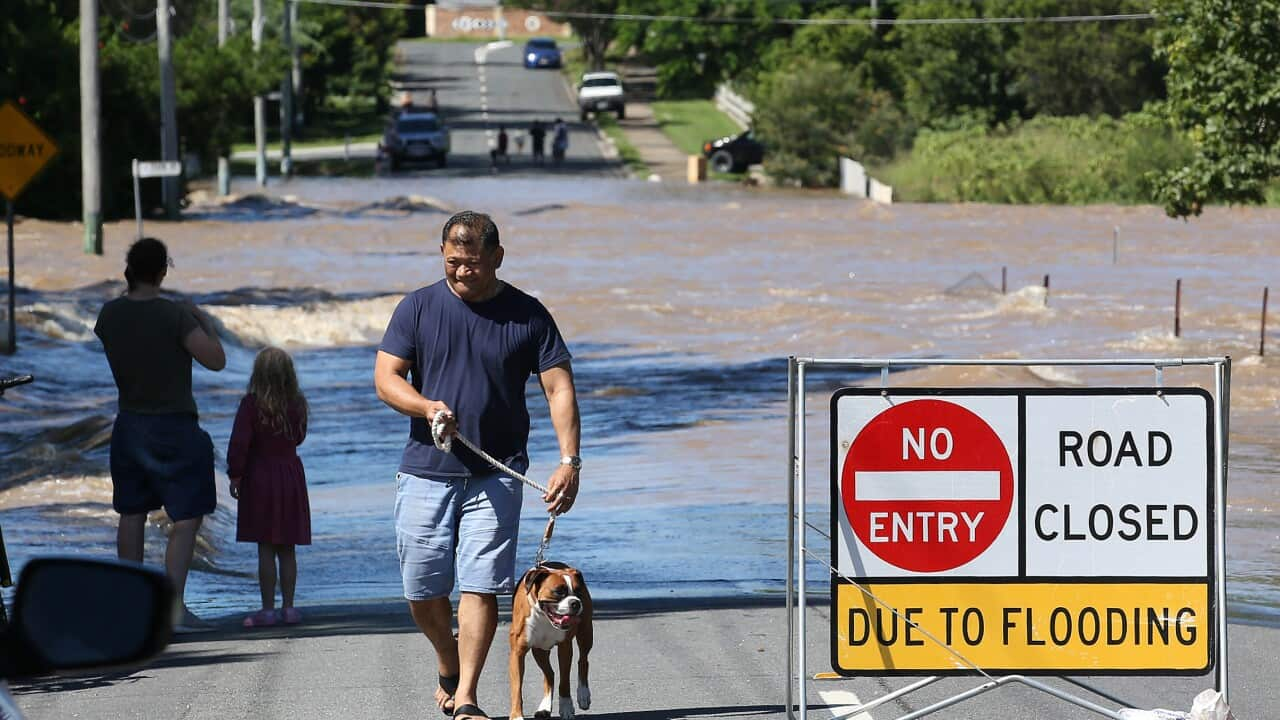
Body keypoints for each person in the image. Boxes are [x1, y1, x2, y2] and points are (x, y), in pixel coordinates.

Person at [374, 211, 581, 720]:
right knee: (422, 590)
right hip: (425, 468)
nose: (462, 272)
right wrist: (426, 407)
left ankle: (466, 695)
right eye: (452, 263)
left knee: (481, 584)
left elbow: (558, 386)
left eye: (472, 263)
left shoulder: (528, 315)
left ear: (497, 258)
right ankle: (448, 657)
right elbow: (386, 376)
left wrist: (569, 461)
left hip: (499, 473)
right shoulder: (418, 308)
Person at [94, 237, 226, 632]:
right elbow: (215, 361)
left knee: (130, 513)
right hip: (173, 425)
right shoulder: (174, 316)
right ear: (163, 272)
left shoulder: (109, 315)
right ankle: (172, 606)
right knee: (186, 517)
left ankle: (132, 606)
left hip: (129, 424)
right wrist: (200, 318)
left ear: (128, 271)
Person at [228, 346, 311, 629]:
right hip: (290, 474)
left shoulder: (251, 404)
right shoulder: (297, 403)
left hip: (260, 476)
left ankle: (267, 609)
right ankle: (289, 607)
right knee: (287, 547)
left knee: (266, 546)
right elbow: (299, 438)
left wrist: (235, 475)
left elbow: (239, 443)